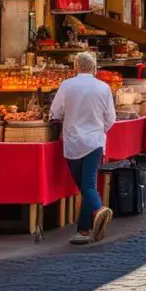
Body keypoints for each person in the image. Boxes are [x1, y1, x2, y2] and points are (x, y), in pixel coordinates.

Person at [50, 52, 115, 244]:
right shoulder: (104, 88)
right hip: (95, 142)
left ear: (75, 67)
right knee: (88, 187)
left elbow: (55, 112)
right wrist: (98, 130)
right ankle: (89, 223)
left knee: (86, 186)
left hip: (73, 142)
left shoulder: (67, 86)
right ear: (94, 69)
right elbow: (111, 118)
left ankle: (88, 224)